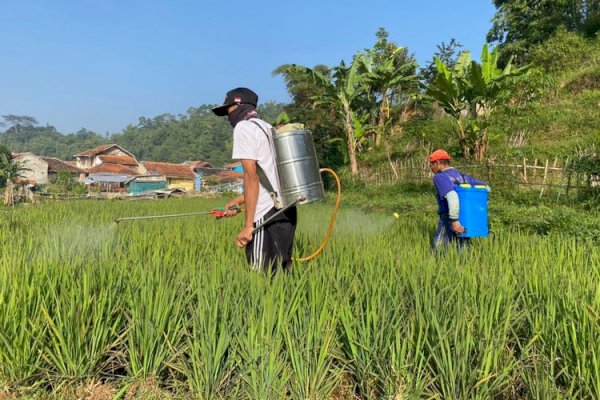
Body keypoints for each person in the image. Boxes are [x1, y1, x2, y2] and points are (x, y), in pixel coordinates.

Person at [212, 87, 297, 272]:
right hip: (286, 210)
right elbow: (269, 178)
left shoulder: (244, 128)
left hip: (265, 215)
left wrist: (248, 225)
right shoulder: (268, 128)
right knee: (281, 275)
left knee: (260, 279)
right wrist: (236, 201)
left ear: (238, 105)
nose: (229, 116)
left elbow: (251, 177)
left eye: (229, 110)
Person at [429, 149, 485, 252]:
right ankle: (465, 267)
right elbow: (483, 187)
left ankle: (438, 266)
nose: (431, 168)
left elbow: (452, 196)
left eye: (431, 165)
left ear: (437, 163)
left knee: (439, 248)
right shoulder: (463, 176)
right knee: (462, 247)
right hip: (465, 216)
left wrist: (454, 220)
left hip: (449, 217)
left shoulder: (440, 177)